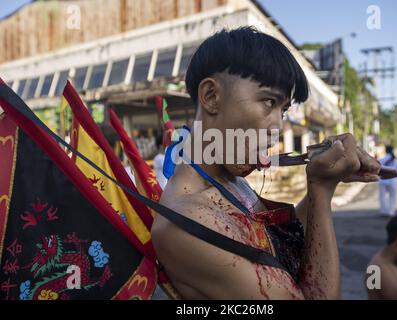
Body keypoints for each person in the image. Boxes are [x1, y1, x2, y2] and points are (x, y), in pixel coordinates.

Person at [151, 27, 381, 299]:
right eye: (268, 102)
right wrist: (321, 189)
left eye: (282, 110)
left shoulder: (228, 179)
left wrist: (326, 177)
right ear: (212, 96)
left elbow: (284, 239)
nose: (278, 126)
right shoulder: (187, 220)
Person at [379, 145, 397, 216]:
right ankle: (391, 211)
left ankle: (383, 211)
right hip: (393, 180)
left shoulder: (383, 158)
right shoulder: (396, 159)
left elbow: (379, 165)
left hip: (383, 179)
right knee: (393, 196)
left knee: (382, 196)